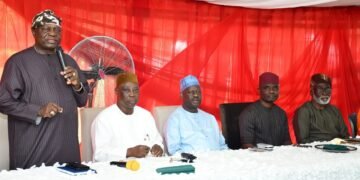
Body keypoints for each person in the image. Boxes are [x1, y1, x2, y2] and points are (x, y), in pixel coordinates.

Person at [0, 10, 88, 169]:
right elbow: (4, 101)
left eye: (56, 30)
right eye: (46, 29)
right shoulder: (18, 62)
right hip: (34, 148)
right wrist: (38, 110)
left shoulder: (69, 61)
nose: (53, 33)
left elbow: (82, 101)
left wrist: (77, 85)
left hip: (67, 147)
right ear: (34, 31)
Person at [91, 72, 163, 162]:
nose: (132, 94)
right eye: (126, 90)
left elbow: (157, 139)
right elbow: (99, 155)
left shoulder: (146, 115)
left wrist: (157, 146)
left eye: (135, 90)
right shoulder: (104, 119)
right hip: (117, 170)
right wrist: (129, 152)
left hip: (146, 166)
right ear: (116, 91)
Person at [165, 75, 228, 155]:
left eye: (198, 92)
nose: (196, 95)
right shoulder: (175, 119)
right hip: (194, 163)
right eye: (191, 92)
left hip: (219, 161)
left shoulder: (210, 118)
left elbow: (222, 146)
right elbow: (174, 151)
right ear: (181, 95)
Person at [238, 72, 291, 148]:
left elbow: (287, 141)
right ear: (259, 90)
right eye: (267, 88)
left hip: (280, 157)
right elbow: (247, 146)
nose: (272, 91)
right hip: (257, 157)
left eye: (275, 88)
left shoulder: (281, 113)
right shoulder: (248, 114)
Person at [293, 73, 348, 143]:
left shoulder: (335, 110)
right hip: (314, 151)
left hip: (337, 150)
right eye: (320, 89)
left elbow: (345, 136)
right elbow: (303, 141)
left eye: (327, 89)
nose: (324, 93)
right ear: (312, 91)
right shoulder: (304, 111)